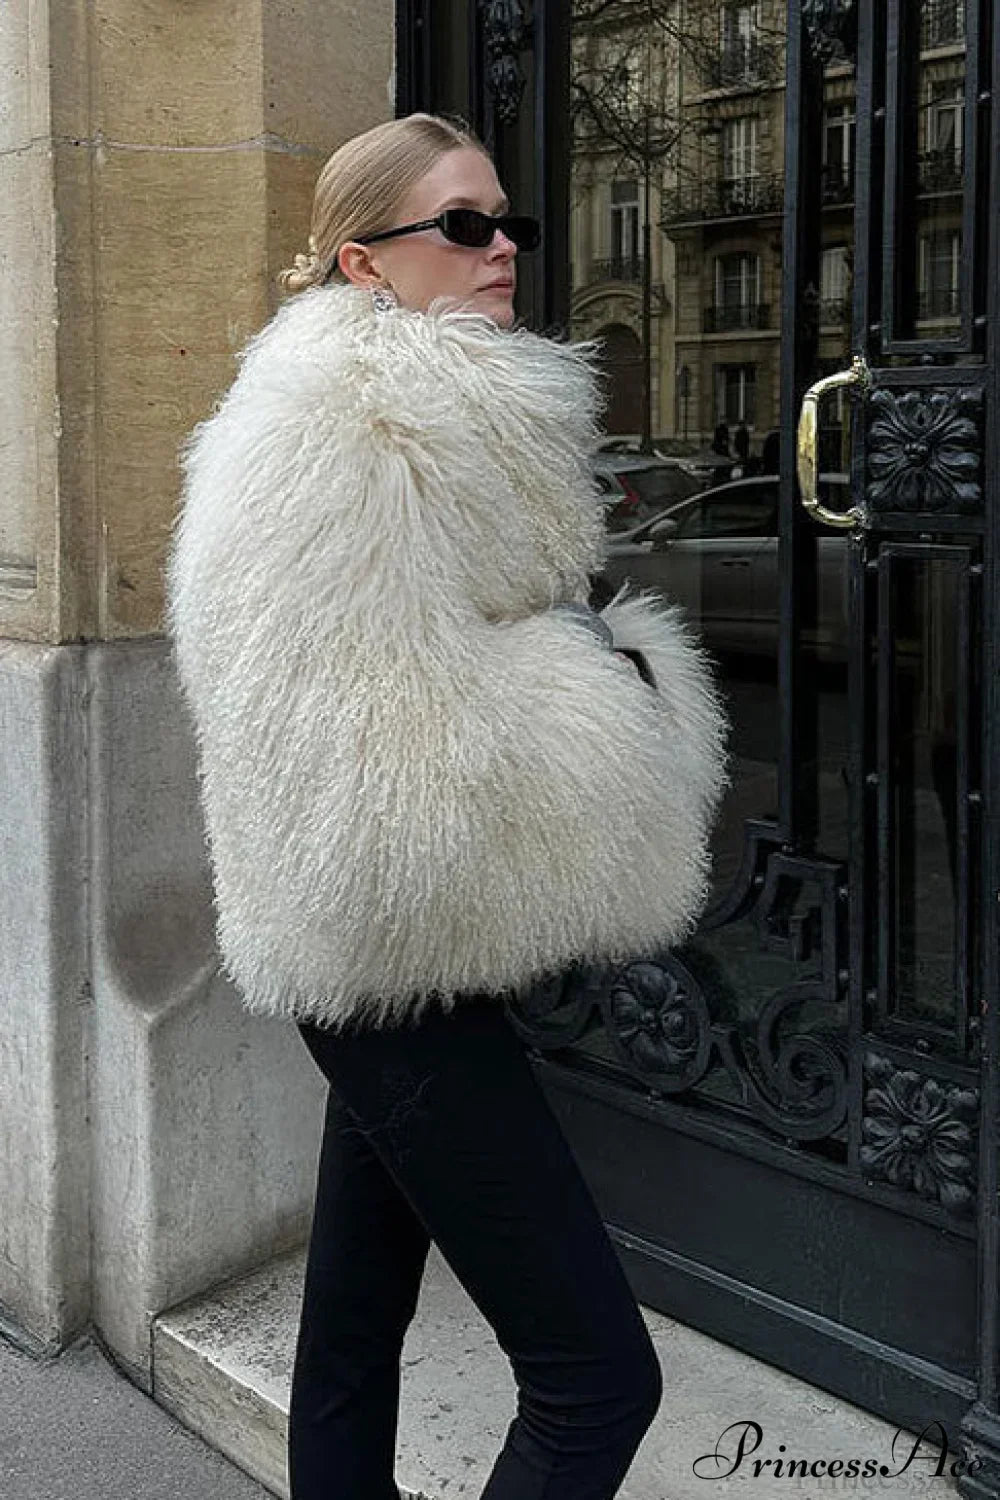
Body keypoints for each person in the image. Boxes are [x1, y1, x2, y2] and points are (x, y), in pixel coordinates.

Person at [165, 113, 726, 1500]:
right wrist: (607, 679)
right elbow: (368, 755)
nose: (503, 248)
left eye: (506, 221)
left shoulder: (428, 410)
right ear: (365, 261)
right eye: (463, 226)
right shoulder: (347, 431)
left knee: (353, 1326)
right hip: (383, 944)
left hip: (400, 940)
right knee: (599, 1380)